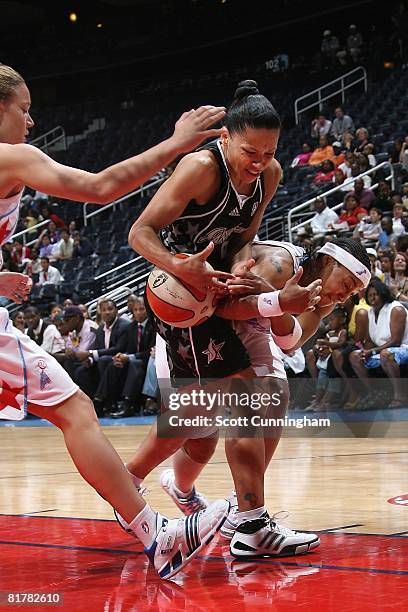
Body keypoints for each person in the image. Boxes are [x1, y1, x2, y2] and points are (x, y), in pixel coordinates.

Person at [0, 64, 230, 579]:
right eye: (23, 108)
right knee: (75, 409)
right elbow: (103, 187)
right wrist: (176, 143)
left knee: (73, 407)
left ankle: (154, 530)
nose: (31, 121)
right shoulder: (9, 156)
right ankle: (156, 534)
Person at [125, 80, 324, 557]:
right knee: (231, 403)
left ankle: (133, 483)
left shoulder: (269, 174)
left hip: (217, 292)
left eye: (269, 150)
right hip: (183, 299)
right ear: (225, 139)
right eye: (249, 151)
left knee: (212, 414)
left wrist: (239, 267)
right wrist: (182, 266)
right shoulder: (199, 168)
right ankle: (246, 523)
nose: (259, 161)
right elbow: (140, 232)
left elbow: (241, 239)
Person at [120, 236, 370, 557]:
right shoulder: (279, 264)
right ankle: (140, 485)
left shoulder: (324, 298)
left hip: (251, 328)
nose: (344, 294)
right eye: (346, 283)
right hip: (201, 321)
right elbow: (223, 308)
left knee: (259, 401)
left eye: (353, 293)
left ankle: (233, 509)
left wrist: (276, 300)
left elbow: (290, 341)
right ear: (326, 261)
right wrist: (277, 299)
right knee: (201, 426)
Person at [349, 279, 408, 408]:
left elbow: (396, 341)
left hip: (403, 348)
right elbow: (370, 341)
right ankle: (374, 392)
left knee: (386, 355)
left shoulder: (396, 309)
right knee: (355, 356)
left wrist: (373, 351)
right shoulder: (370, 312)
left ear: (383, 293)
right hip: (381, 350)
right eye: (369, 295)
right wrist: (366, 352)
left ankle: (400, 395)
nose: (372, 298)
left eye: (375, 294)